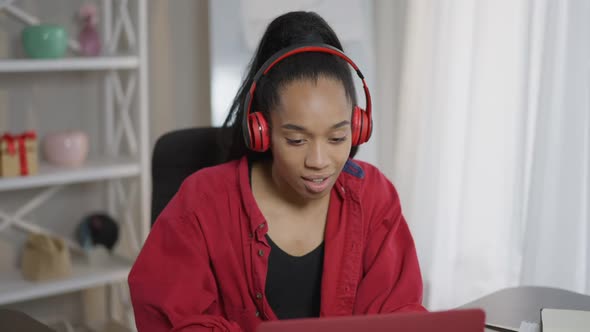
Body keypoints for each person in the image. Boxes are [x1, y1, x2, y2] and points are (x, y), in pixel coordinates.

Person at [128, 11, 426, 332]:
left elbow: (398, 314)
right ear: (262, 130)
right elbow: (172, 318)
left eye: (337, 137)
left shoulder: (374, 197)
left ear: (359, 126)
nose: (319, 160)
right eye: (296, 140)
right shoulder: (201, 201)